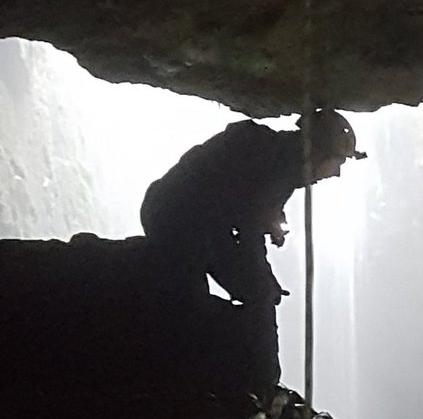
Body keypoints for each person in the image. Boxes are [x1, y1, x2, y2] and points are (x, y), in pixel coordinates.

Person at [140, 108, 365, 305]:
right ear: (318, 152)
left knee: (248, 286)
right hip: (181, 219)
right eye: (338, 162)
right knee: (258, 293)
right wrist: (263, 282)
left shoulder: (273, 155)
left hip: (172, 211)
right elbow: (250, 228)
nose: (336, 173)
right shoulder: (278, 166)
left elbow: (246, 205)